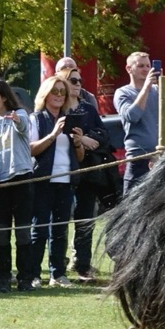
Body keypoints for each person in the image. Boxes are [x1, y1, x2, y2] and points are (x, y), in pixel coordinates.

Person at [0, 79, 35, 293]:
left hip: (22, 179)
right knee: (1, 234)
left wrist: (16, 120)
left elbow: (23, 126)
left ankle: (25, 278)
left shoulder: (19, 115)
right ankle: (3, 278)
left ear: (4, 97)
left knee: (23, 233)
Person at [55, 67, 110, 282]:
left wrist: (87, 138)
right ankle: (57, 267)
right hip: (62, 171)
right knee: (58, 220)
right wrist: (80, 140)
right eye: (73, 80)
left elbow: (104, 134)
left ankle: (83, 265)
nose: (78, 84)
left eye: (80, 80)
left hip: (88, 173)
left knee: (85, 218)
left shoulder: (88, 108)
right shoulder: (58, 108)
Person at [29, 76, 84, 287]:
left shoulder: (70, 119)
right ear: (45, 94)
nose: (59, 96)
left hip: (66, 180)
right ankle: (33, 274)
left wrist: (78, 143)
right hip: (43, 179)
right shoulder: (36, 119)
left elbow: (79, 157)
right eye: (55, 91)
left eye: (63, 92)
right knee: (40, 228)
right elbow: (31, 150)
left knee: (60, 230)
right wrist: (53, 134)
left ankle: (58, 274)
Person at [114, 52, 165, 193]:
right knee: (132, 202)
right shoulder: (123, 93)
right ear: (129, 69)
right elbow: (132, 116)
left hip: (160, 156)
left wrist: (162, 85)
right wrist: (146, 87)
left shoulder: (157, 90)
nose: (145, 69)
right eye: (140, 66)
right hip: (138, 157)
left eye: (148, 66)